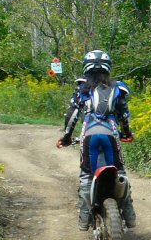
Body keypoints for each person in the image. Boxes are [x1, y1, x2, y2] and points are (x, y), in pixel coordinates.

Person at [56, 50, 136, 230]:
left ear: (86, 67)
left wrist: (66, 138)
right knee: (120, 173)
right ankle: (129, 215)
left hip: (90, 136)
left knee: (86, 175)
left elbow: (72, 115)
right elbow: (124, 116)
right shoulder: (117, 88)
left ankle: (84, 218)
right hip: (111, 136)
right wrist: (127, 133)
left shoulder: (82, 88)